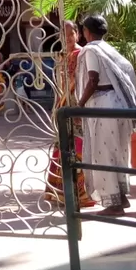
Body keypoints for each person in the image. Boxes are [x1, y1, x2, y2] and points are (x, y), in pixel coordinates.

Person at [76, 14, 136, 216]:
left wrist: (80, 105)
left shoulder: (92, 50)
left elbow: (93, 79)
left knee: (103, 154)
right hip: (119, 105)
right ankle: (120, 196)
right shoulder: (111, 51)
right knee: (118, 151)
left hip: (103, 106)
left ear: (86, 32)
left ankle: (114, 203)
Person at [45, 20, 94, 209]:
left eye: (70, 34)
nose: (67, 38)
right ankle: (60, 190)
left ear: (78, 34)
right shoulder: (61, 56)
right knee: (62, 145)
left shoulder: (81, 54)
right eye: (62, 35)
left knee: (79, 146)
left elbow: (83, 81)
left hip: (77, 105)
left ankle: (81, 192)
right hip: (63, 105)